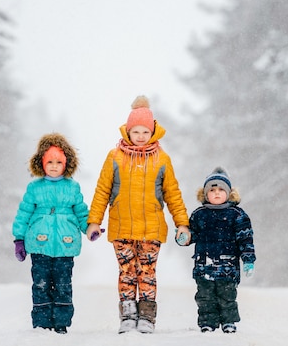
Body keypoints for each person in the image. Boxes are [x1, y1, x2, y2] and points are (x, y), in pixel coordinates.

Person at [86, 95, 191, 334]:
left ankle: (146, 315)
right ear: (128, 131)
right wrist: (94, 222)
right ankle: (127, 314)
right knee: (126, 273)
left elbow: (173, 194)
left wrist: (182, 224)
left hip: (151, 229)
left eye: (146, 131)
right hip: (121, 227)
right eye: (136, 131)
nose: (141, 136)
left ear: (153, 131)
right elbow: (102, 190)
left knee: (147, 273)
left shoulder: (162, 160)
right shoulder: (115, 157)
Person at [12, 132, 89, 334]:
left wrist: (90, 228)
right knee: (41, 283)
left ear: (66, 164)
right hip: (40, 245)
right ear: (42, 163)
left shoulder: (72, 187)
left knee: (63, 284)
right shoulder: (34, 188)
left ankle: (61, 322)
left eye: (58, 162)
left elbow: (81, 212)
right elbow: (24, 214)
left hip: (65, 245)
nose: (54, 166)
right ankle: (42, 321)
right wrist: (19, 239)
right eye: (50, 162)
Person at [186, 167, 256, 334]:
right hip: (204, 265)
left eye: (220, 190)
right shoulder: (199, 215)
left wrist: (248, 260)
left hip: (228, 266)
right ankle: (207, 322)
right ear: (205, 194)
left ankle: (228, 321)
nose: (216, 193)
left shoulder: (237, 215)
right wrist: (184, 238)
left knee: (227, 297)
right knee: (205, 297)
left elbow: (245, 239)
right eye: (212, 190)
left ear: (229, 193)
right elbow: (191, 234)